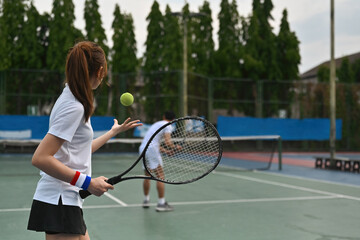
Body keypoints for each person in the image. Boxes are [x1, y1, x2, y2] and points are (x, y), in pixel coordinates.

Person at [27, 41, 142, 240]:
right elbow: (41, 158)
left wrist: (112, 132)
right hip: (59, 200)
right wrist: (87, 182)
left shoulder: (71, 98)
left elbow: (77, 150)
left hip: (64, 200)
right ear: (99, 71)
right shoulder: (74, 106)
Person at [139, 111, 181, 212]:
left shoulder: (157, 124)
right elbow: (168, 142)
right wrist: (176, 147)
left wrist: (167, 151)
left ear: (163, 116)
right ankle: (161, 204)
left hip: (143, 148)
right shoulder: (168, 126)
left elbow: (153, 142)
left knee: (147, 176)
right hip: (151, 150)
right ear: (173, 120)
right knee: (160, 177)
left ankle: (146, 200)